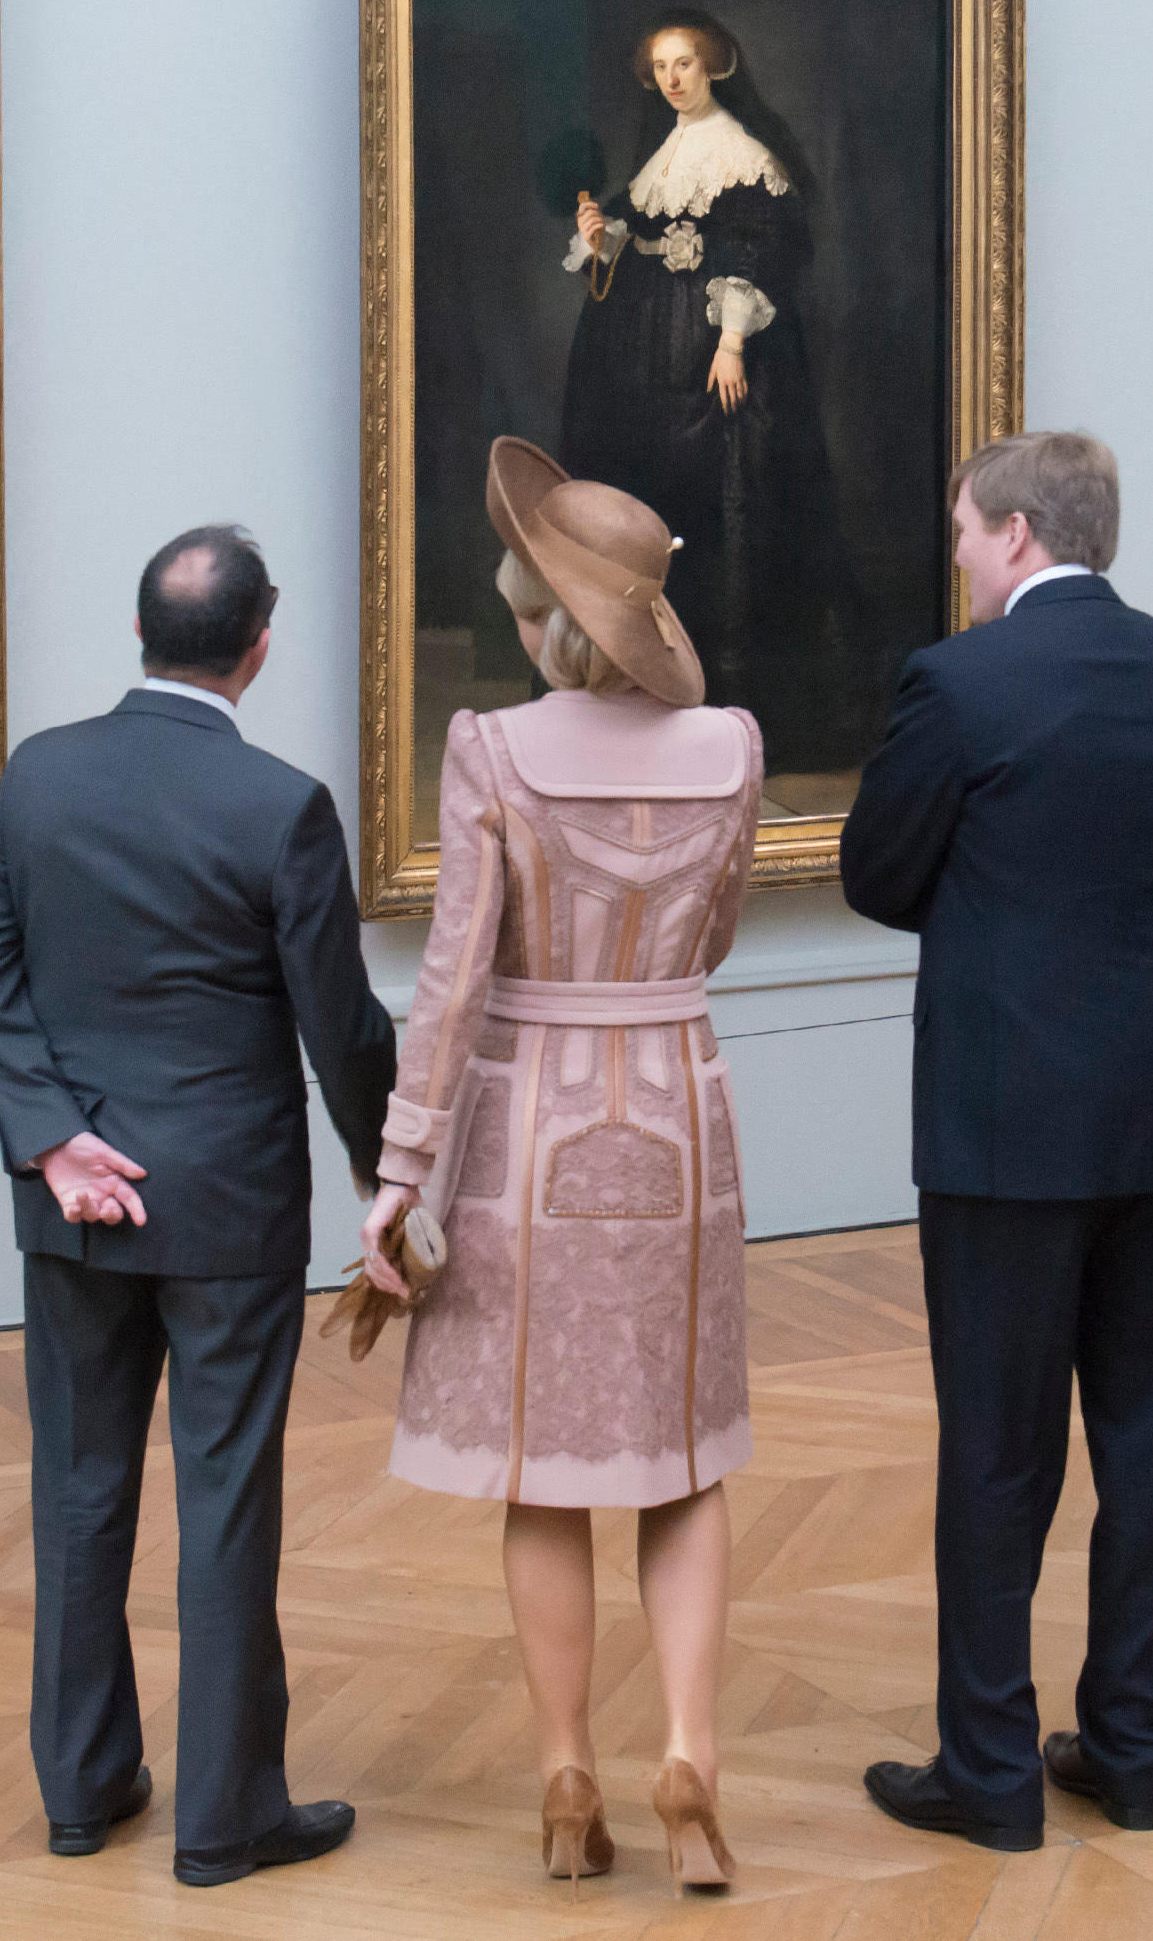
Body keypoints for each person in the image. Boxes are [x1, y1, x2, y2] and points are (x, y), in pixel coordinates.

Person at [0, 527, 397, 1884]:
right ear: (260, 643)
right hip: (227, 1211)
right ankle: (225, 1817)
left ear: (142, 630)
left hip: (77, 1210)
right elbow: (340, 1030)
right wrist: (395, 1177)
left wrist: (54, 1143)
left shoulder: (41, 774)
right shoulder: (281, 806)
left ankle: (81, 1790)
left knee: (79, 1493)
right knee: (224, 1500)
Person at [355, 439, 764, 1891]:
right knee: (681, 1455)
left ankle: (562, 1769)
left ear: (541, 619)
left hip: (526, 1126)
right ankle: (691, 1750)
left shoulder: (490, 748)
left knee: (543, 1465)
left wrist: (401, 1169)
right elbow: (712, 935)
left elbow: (453, 983)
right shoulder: (731, 745)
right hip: (677, 1109)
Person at [840, 430, 1153, 1851]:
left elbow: (877, 872)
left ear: (1014, 531)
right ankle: (1131, 1749)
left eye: (959, 526)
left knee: (997, 1452)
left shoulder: (959, 678)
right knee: (1145, 1438)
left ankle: (991, 1772)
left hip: (1008, 1123)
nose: (952, 550)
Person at [557, 9, 869, 766]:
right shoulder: (664, 150)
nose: (671, 79)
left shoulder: (742, 153)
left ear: (715, 68)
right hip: (645, 358)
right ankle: (642, 683)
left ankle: (722, 692)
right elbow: (638, 229)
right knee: (651, 495)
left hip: (712, 357)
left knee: (719, 501)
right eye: (660, 67)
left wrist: (730, 342)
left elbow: (758, 253)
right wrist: (603, 235)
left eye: (685, 64)